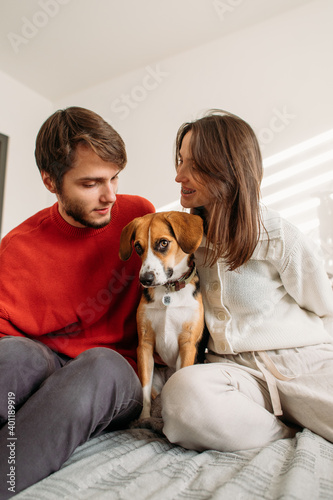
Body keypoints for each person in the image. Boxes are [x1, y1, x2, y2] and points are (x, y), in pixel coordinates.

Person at [0, 106, 154, 498]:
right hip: (48, 366)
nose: (109, 196)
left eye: (114, 178)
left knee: (98, 364)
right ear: (50, 181)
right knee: (18, 355)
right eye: (90, 184)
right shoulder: (16, 249)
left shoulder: (139, 216)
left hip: (114, 377)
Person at [161, 109, 333, 452]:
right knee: (181, 396)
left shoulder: (278, 235)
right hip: (234, 375)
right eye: (179, 161)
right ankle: (280, 433)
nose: (179, 175)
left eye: (193, 164)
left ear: (228, 168)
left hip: (302, 362)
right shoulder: (183, 241)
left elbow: (324, 306)